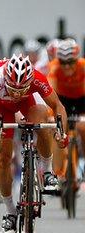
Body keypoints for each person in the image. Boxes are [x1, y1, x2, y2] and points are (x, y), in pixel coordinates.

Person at [0, 54, 68, 233]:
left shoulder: (37, 78)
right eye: (13, 88)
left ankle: (47, 172)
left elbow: (57, 106)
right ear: (6, 79)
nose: (16, 93)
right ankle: (10, 212)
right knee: (2, 158)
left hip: (28, 102)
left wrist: (61, 131)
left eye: (22, 88)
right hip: (0, 106)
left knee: (42, 123)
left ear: (30, 80)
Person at [47, 39, 85, 183]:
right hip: (63, 101)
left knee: (82, 127)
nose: (67, 66)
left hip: (82, 99)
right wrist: (52, 116)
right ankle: (58, 171)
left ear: (77, 59)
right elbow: (51, 95)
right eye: (63, 62)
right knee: (56, 130)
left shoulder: (83, 66)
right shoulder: (54, 68)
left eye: (70, 62)